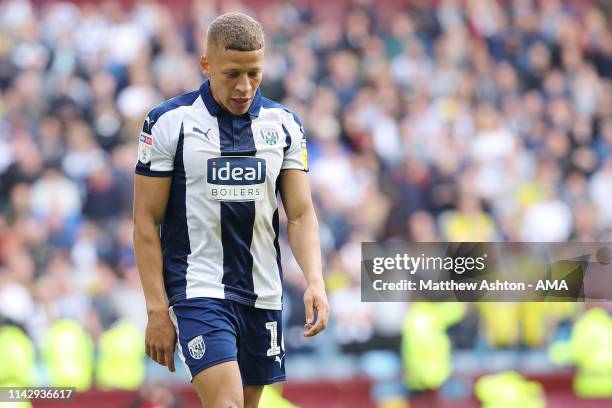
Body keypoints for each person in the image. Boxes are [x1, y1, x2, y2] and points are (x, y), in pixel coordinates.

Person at [132, 11, 329, 408]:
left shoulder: (284, 124)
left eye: (254, 73)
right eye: (232, 74)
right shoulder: (169, 122)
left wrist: (315, 280)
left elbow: (302, 213)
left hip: (263, 293)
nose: (244, 86)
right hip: (198, 290)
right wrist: (156, 308)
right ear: (206, 65)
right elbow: (145, 220)